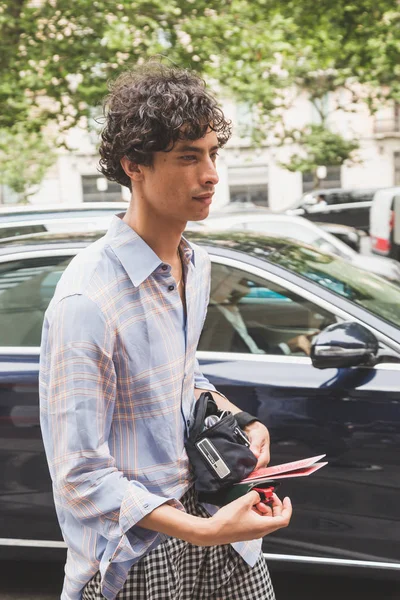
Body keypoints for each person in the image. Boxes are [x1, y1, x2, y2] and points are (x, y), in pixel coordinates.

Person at [39, 62, 292, 600]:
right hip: (138, 553)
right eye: (187, 157)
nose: (211, 175)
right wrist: (201, 532)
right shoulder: (87, 299)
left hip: (214, 514)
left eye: (212, 153)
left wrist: (235, 417)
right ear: (135, 165)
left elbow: (180, 375)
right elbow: (79, 476)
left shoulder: (192, 264)